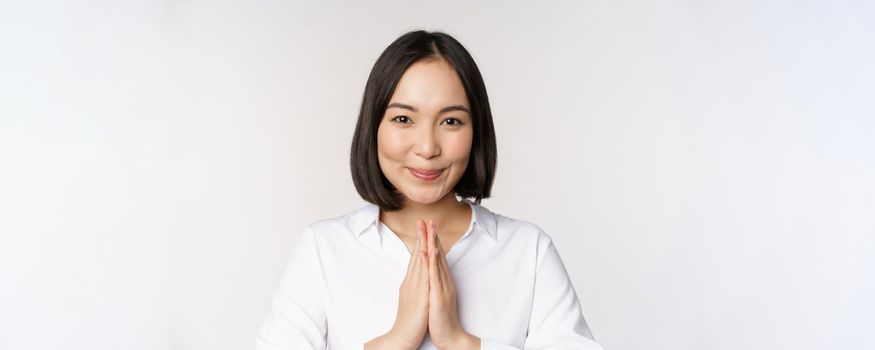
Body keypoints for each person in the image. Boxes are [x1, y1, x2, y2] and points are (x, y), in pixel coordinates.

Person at [256, 30, 604, 350]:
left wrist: (460, 341)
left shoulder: (529, 252)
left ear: (476, 131)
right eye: (403, 119)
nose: (427, 147)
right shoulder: (323, 249)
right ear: (373, 126)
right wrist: (395, 341)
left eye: (450, 121)